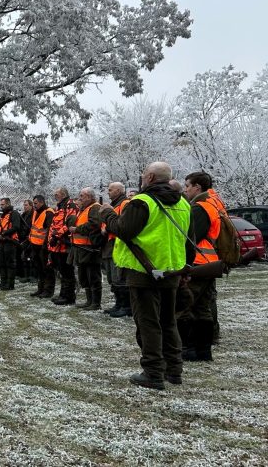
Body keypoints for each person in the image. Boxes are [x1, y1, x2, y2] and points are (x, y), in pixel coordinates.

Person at [102, 162, 193, 390]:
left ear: (150, 177)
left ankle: (153, 371)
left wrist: (108, 215)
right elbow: (188, 239)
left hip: (145, 271)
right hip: (172, 270)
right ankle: (174, 369)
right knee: (168, 321)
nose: (142, 178)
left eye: (144, 175)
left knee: (148, 323)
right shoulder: (183, 203)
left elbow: (124, 230)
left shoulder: (142, 202)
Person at [181, 171, 225, 362]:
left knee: (187, 306)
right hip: (210, 263)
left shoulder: (199, 208)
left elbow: (192, 238)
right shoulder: (213, 204)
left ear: (197, 187)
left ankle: (191, 348)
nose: (186, 190)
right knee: (203, 308)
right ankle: (204, 351)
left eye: (187, 186)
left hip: (198, 264)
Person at [69, 187, 103, 310]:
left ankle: (96, 303)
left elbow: (94, 224)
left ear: (89, 197)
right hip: (81, 248)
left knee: (93, 276)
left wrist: (77, 229)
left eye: (82, 196)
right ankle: (89, 301)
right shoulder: (83, 209)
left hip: (90, 249)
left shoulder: (95, 207)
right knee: (84, 276)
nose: (80, 199)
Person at [102, 182, 132, 317]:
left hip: (118, 244)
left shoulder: (125, 204)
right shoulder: (114, 205)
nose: (108, 192)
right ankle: (118, 303)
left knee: (119, 277)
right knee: (112, 278)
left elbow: (122, 223)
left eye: (110, 189)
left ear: (119, 190)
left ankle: (125, 306)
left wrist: (107, 228)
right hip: (110, 245)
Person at [48, 187, 78, 305]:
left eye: (57, 194)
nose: (55, 196)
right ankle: (63, 294)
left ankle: (69, 296)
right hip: (57, 245)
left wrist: (57, 236)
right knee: (62, 271)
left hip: (65, 244)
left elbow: (69, 223)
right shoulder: (60, 206)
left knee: (67, 271)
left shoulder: (70, 205)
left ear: (63, 194)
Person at [27, 195, 55, 298]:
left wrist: (45, 245)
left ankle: (48, 290)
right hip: (35, 245)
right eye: (34, 203)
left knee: (47, 269)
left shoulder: (49, 212)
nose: (34, 205)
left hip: (44, 246)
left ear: (42, 202)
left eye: (35, 203)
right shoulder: (35, 212)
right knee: (39, 269)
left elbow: (50, 230)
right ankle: (41, 289)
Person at [0, 197, 22, 291]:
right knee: (2, 263)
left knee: (10, 263)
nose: (1, 206)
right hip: (3, 241)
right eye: (1, 205)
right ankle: (3, 283)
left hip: (10, 242)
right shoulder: (4, 215)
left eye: (2, 205)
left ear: (8, 204)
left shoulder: (14, 213)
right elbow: (2, 227)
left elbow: (16, 227)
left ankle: (10, 284)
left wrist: (3, 234)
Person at [18, 200, 35, 283]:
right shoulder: (23, 215)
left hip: (31, 238)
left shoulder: (33, 215)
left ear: (31, 206)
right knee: (24, 257)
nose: (25, 207)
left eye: (26, 205)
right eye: (24, 205)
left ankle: (33, 276)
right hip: (23, 238)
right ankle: (26, 275)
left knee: (31, 257)